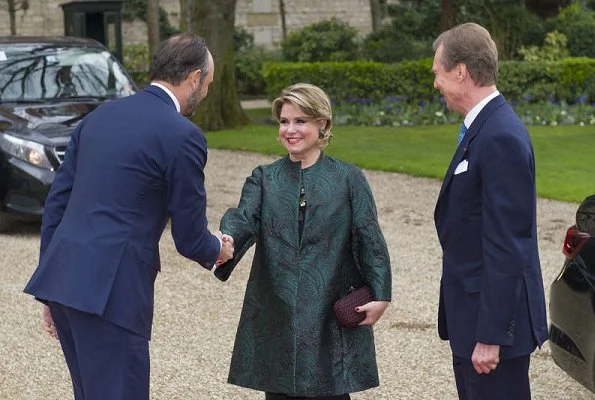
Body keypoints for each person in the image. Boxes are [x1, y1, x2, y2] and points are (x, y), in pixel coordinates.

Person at [24, 33, 234, 400]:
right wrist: (218, 247)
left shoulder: (99, 117)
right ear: (194, 78)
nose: (206, 92)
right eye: (208, 84)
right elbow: (189, 237)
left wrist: (51, 290)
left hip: (65, 283)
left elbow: (57, 204)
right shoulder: (183, 135)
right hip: (112, 292)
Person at [214, 83, 392, 400]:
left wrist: (381, 293)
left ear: (322, 123)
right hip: (277, 309)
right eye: (284, 121)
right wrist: (225, 239)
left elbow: (369, 237)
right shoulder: (265, 178)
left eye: (300, 121)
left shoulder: (348, 178)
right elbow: (243, 217)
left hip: (329, 308)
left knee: (330, 390)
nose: (290, 130)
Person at [431, 23, 548, 399]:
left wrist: (491, 336)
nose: (435, 83)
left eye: (438, 73)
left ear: (460, 71)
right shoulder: (482, 126)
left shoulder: (499, 134)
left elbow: (508, 243)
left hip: (493, 333)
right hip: (473, 320)